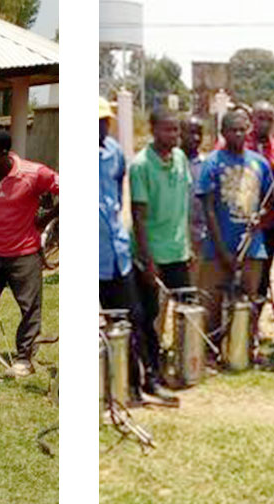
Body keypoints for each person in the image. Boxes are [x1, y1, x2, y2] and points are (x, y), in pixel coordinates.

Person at [0, 129, 59, 378]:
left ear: (2, 155)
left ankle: (23, 359)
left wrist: (45, 219)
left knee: (30, 309)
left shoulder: (34, 174)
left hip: (24, 256)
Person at [100, 99, 170, 405]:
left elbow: (116, 194)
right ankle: (105, 388)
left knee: (136, 319)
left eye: (105, 121)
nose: (102, 127)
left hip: (118, 255)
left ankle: (141, 384)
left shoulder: (114, 153)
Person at [196, 110, 274, 354]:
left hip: (252, 246)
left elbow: (268, 200)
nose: (239, 134)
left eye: (243, 129)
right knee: (212, 302)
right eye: (233, 130)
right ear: (223, 133)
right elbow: (208, 211)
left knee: (247, 301)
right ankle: (210, 350)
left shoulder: (259, 163)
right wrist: (222, 252)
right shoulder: (212, 163)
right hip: (218, 248)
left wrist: (261, 217)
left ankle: (242, 348)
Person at [130, 108, 191, 353]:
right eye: (168, 129)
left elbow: (184, 206)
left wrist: (188, 246)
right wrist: (147, 260)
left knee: (187, 310)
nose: (174, 134)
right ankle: (152, 365)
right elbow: (138, 217)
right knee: (150, 315)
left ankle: (183, 360)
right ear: (153, 130)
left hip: (178, 252)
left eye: (176, 129)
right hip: (152, 256)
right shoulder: (141, 165)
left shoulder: (180, 158)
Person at [214, 102, 274, 301]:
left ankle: (253, 322)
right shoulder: (235, 145)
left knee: (261, 277)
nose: (264, 123)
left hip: (267, 224)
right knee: (231, 273)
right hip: (238, 221)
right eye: (260, 118)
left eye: (269, 119)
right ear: (251, 120)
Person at [181, 116, 209, 274]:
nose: (196, 138)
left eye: (199, 133)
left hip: (199, 239)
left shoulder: (206, 166)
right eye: (190, 133)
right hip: (173, 240)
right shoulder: (170, 163)